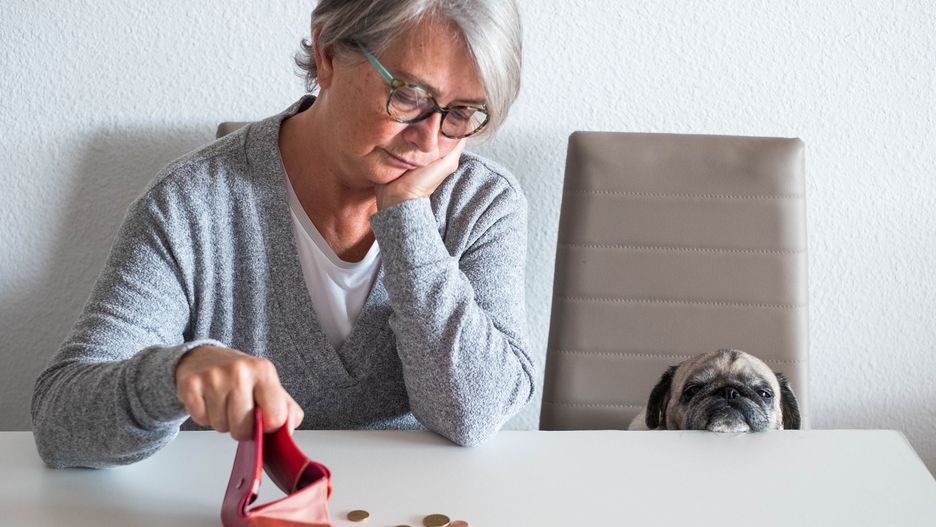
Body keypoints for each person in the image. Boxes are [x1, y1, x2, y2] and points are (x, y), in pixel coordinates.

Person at [31, 0, 534, 468]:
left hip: (416, 504)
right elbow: (59, 423)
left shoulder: (480, 203)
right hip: (234, 502)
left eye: (461, 113)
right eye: (408, 96)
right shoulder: (191, 204)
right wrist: (176, 375)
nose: (429, 141)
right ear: (328, 54)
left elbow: (473, 414)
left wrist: (408, 218)